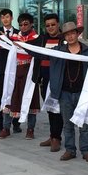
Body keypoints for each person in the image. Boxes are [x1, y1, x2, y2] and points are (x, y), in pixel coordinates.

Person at [48, 22, 88, 162]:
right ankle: (70, 150)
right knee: (67, 124)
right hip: (65, 93)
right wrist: (22, 46)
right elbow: (41, 53)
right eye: (67, 34)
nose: (70, 36)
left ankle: (86, 150)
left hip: (83, 93)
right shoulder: (59, 50)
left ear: (77, 34)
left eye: (72, 33)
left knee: (84, 124)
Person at [3, 13, 41, 139]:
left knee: (30, 100)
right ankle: (6, 128)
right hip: (14, 71)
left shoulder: (37, 38)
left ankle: (30, 129)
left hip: (29, 72)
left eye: (25, 24)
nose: (23, 27)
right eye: (20, 25)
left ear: (31, 24)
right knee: (9, 98)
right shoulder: (14, 36)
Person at [31, 14, 63, 152]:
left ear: (58, 24)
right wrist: (12, 41)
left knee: (58, 109)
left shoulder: (64, 40)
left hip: (59, 80)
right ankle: (52, 135)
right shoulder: (42, 38)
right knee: (50, 108)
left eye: (53, 24)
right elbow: (27, 45)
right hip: (44, 79)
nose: (50, 27)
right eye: (48, 25)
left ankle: (57, 138)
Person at [0, 9, 17, 136]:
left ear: (11, 18)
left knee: (15, 97)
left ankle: (16, 124)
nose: (5, 19)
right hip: (0, 70)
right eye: (3, 17)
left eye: (7, 17)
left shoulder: (18, 33)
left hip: (14, 70)